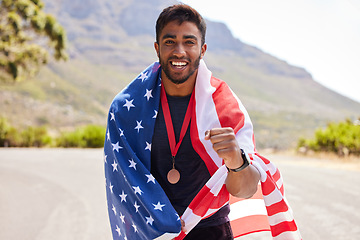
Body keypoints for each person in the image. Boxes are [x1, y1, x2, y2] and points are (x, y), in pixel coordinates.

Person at [104, 4, 301, 240]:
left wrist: (235, 161)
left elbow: (246, 189)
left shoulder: (224, 107)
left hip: (210, 230)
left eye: (189, 42)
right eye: (169, 42)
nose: (179, 51)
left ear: (202, 49)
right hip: (154, 232)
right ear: (157, 48)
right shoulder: (128, 108)